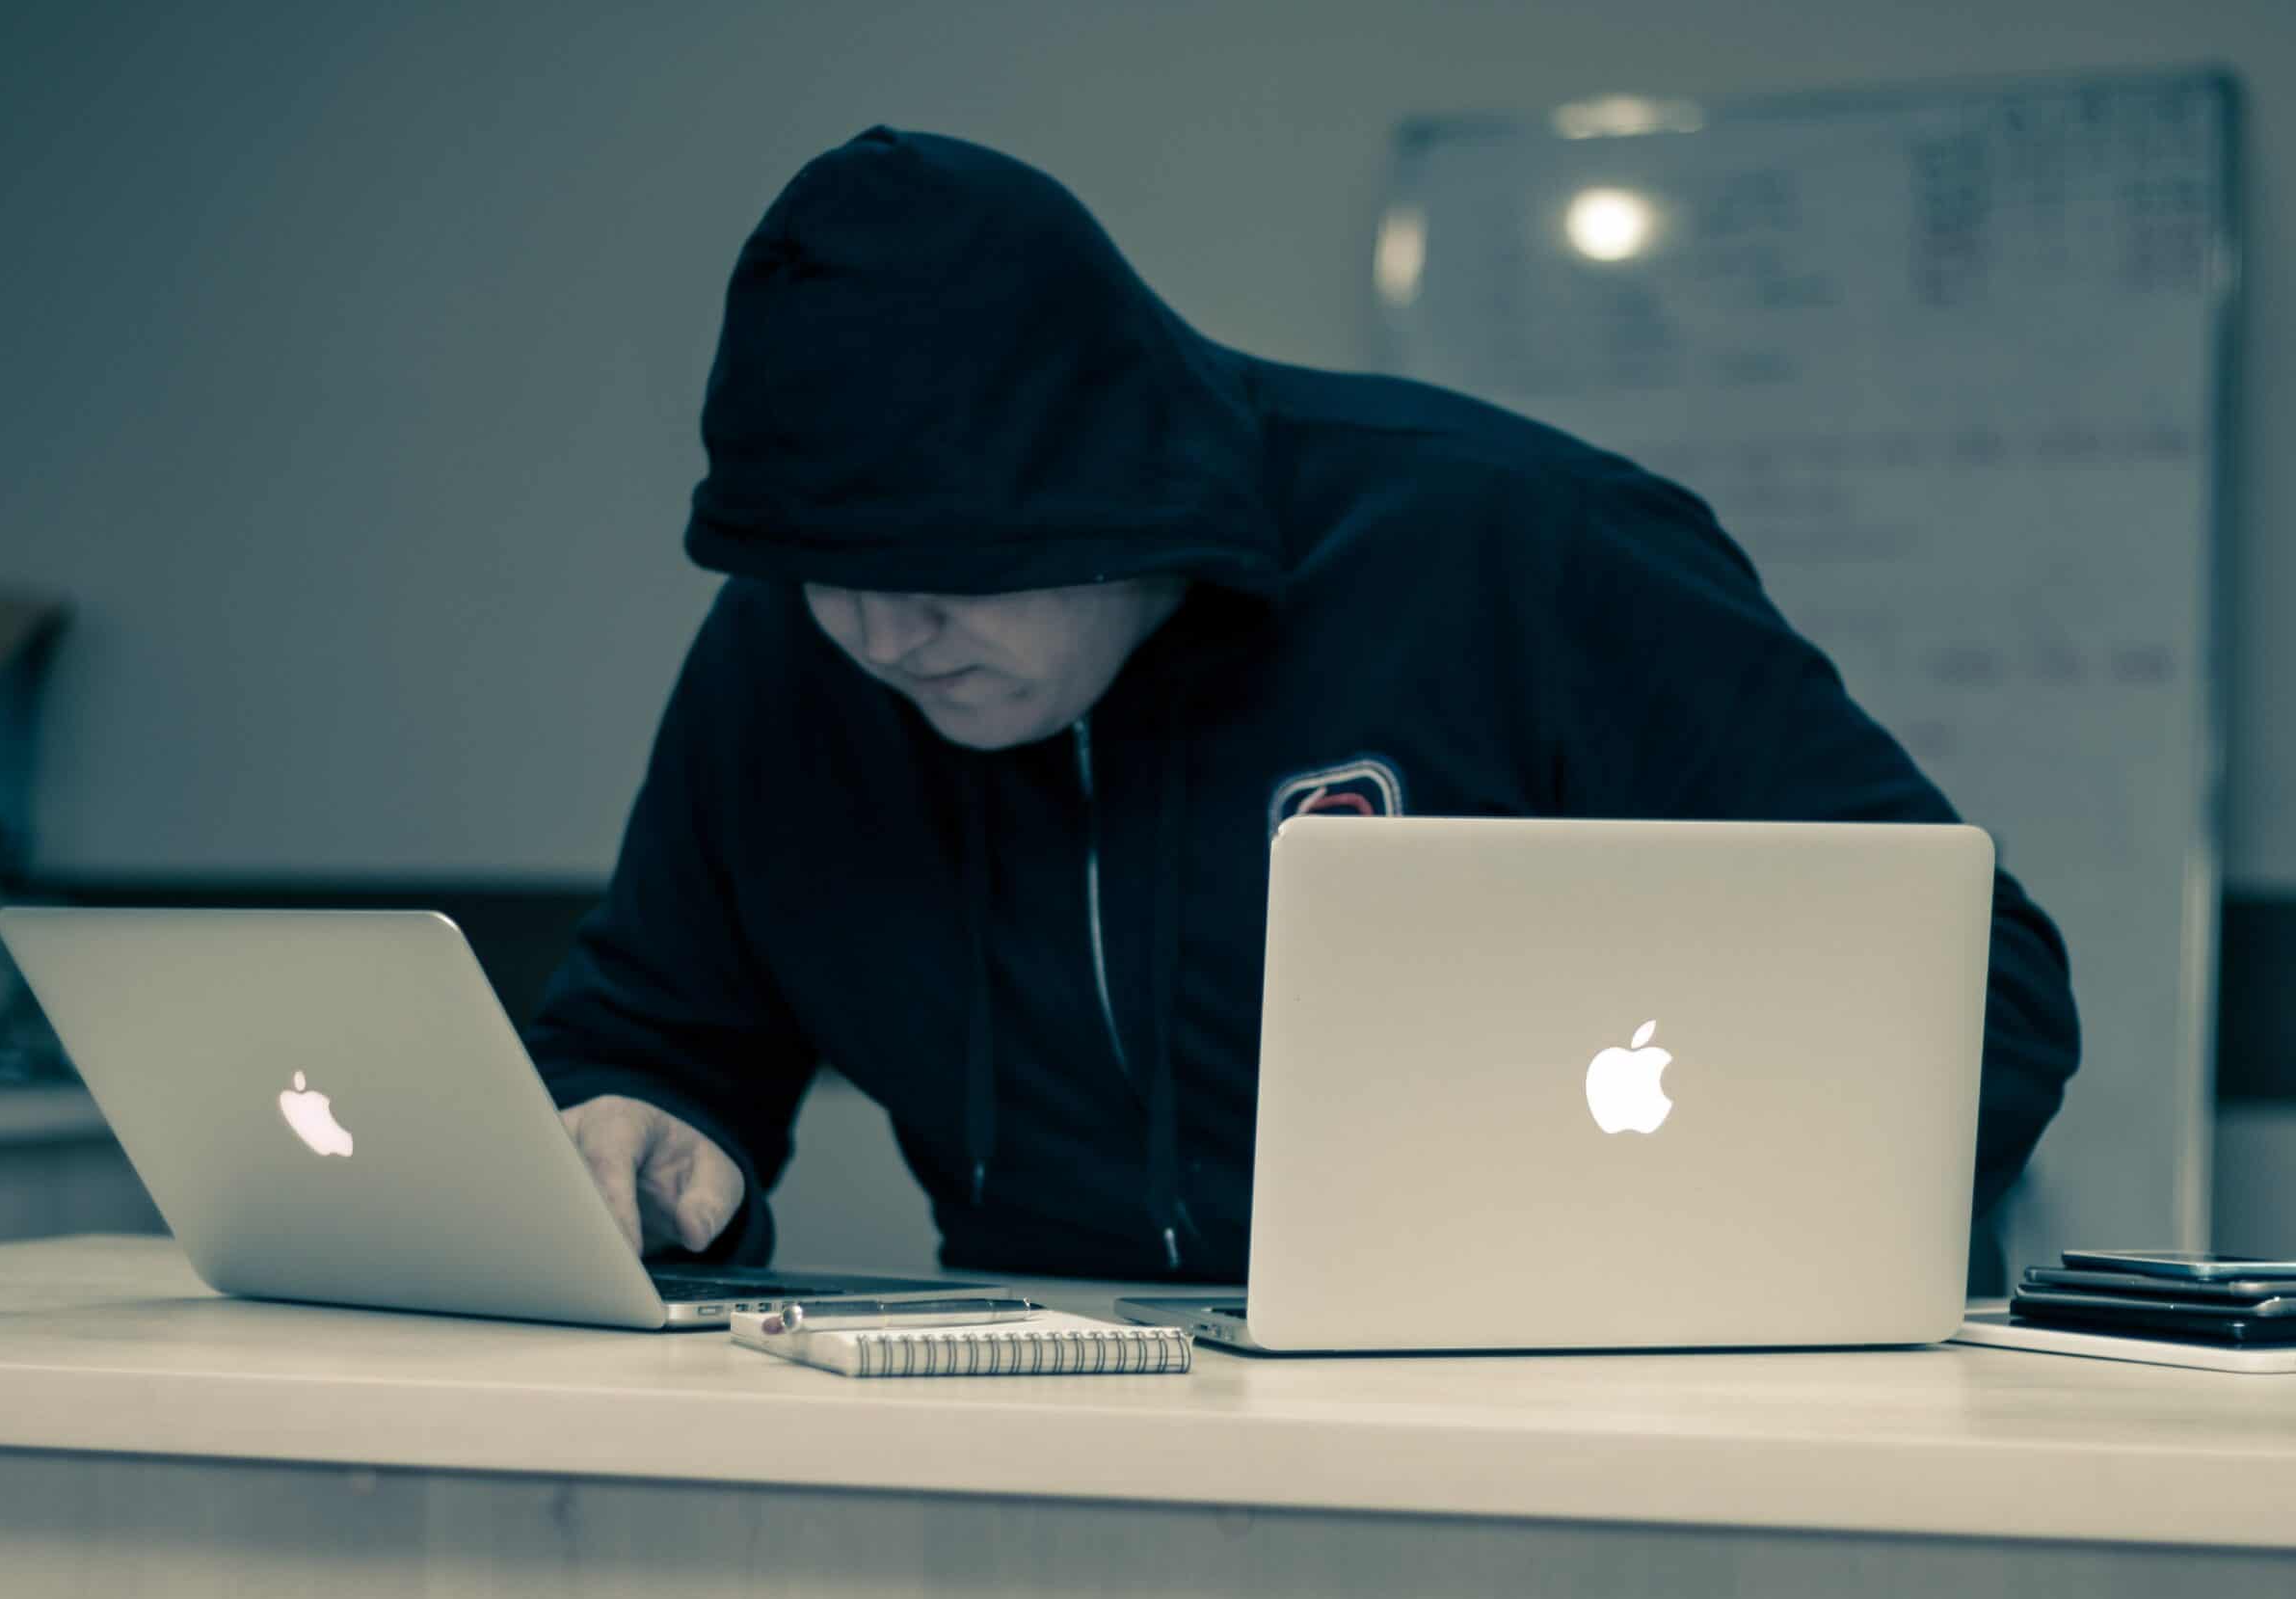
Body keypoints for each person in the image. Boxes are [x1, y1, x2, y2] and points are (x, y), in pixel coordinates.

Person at [526, 127, 2080, 1291]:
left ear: (1117, 493)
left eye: (945, 569)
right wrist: (640, 1130)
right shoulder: (795, 656)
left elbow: (1978, 995)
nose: (880, 633)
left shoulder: (1517, 550)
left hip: (1564, 1399)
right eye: (816, 570)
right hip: (1048, 1420)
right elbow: (656, 1034)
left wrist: (1653, 1270)